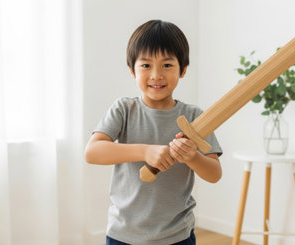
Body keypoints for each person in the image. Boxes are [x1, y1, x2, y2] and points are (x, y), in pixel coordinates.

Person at [85, 19, 223, 245]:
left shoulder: (194, 116)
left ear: (183, 70)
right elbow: (92, 152)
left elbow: (214, 173)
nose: (156, 75)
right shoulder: (123, 109)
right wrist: (146, 151)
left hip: (177, 235)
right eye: (146, 65)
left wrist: (192, 157)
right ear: (132, 70)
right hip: (124, 234)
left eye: (167, 65)